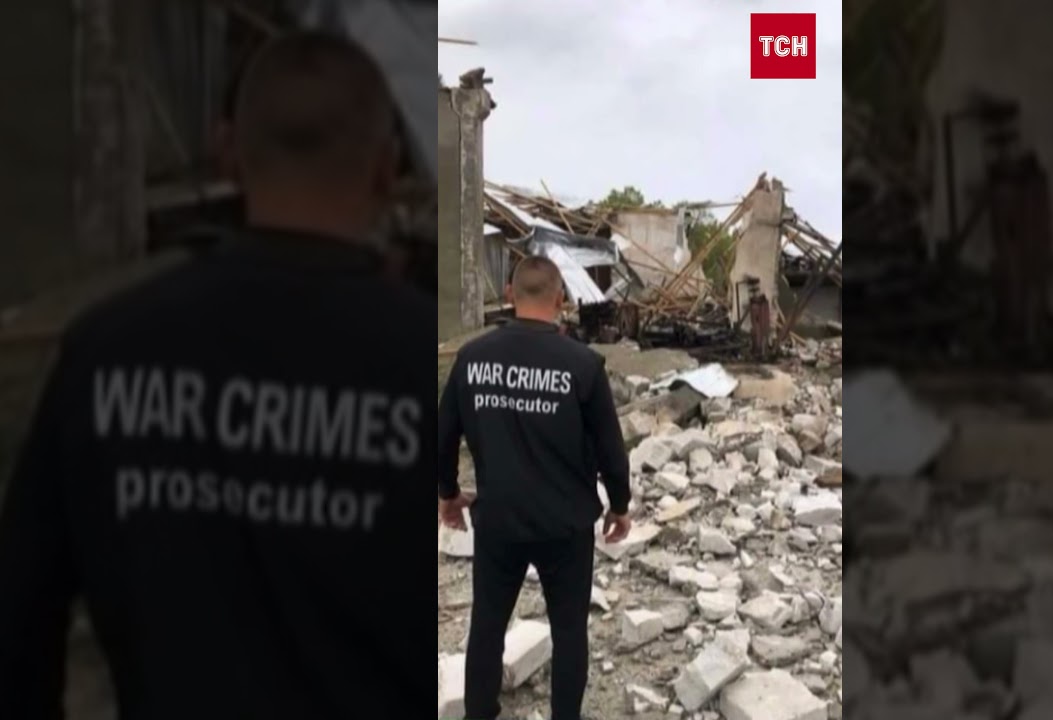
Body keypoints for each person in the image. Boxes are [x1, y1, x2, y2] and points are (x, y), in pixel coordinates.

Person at [0, 32, 436, 719]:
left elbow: (19, 627)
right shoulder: (420, 361)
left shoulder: (106, 350)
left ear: (227, 151)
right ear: (387, 168)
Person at [438, 257, 632, 720]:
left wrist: (448, 493)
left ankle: (479, 713)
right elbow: (610, 446)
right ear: (561, 299)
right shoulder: (582, 365)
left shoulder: (472, 359)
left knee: (487, 626)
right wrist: (619, 505)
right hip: (565, 525)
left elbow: (443, 436)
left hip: (499, 520)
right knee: (569, 632)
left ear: (509, 294)